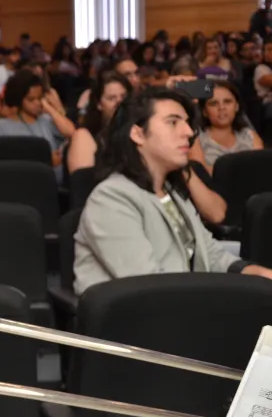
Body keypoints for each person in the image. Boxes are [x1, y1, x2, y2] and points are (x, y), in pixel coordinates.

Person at [74, 88, 272, 295]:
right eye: (173, 122)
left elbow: (210, 254)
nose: (188, 132)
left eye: (186, 123)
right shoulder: (111, 199)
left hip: (179, 308)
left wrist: (252, 271)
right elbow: (147, 287)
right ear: (138, 133)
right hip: (138, 320)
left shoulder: (170, 193)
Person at [188, 80, 264, 173]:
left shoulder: (250, 135)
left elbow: (261, 171)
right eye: (214, 103)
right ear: (204, 111)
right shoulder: (196, 140)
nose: (221, 108)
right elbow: (200, 176)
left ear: (236, 106)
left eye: (227, 102)